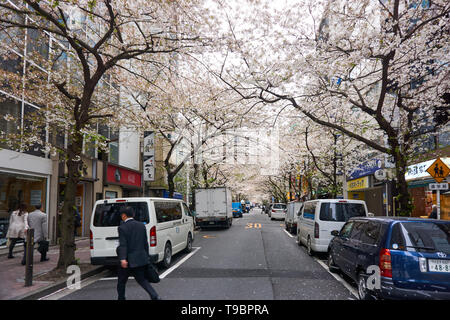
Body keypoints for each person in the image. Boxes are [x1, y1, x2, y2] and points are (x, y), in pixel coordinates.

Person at [116, 207, 161, 300]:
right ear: (133, 215)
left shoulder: (122, 227)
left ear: (124, 215)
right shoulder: (141, 225)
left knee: (121, 281)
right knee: (142, 280)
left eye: (122, 215)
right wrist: (146, 256)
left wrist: (123, 258)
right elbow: (145, 243)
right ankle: (155, 296)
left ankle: (121, 298)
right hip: (140, 258)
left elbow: (123, 244)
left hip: (128, 260)